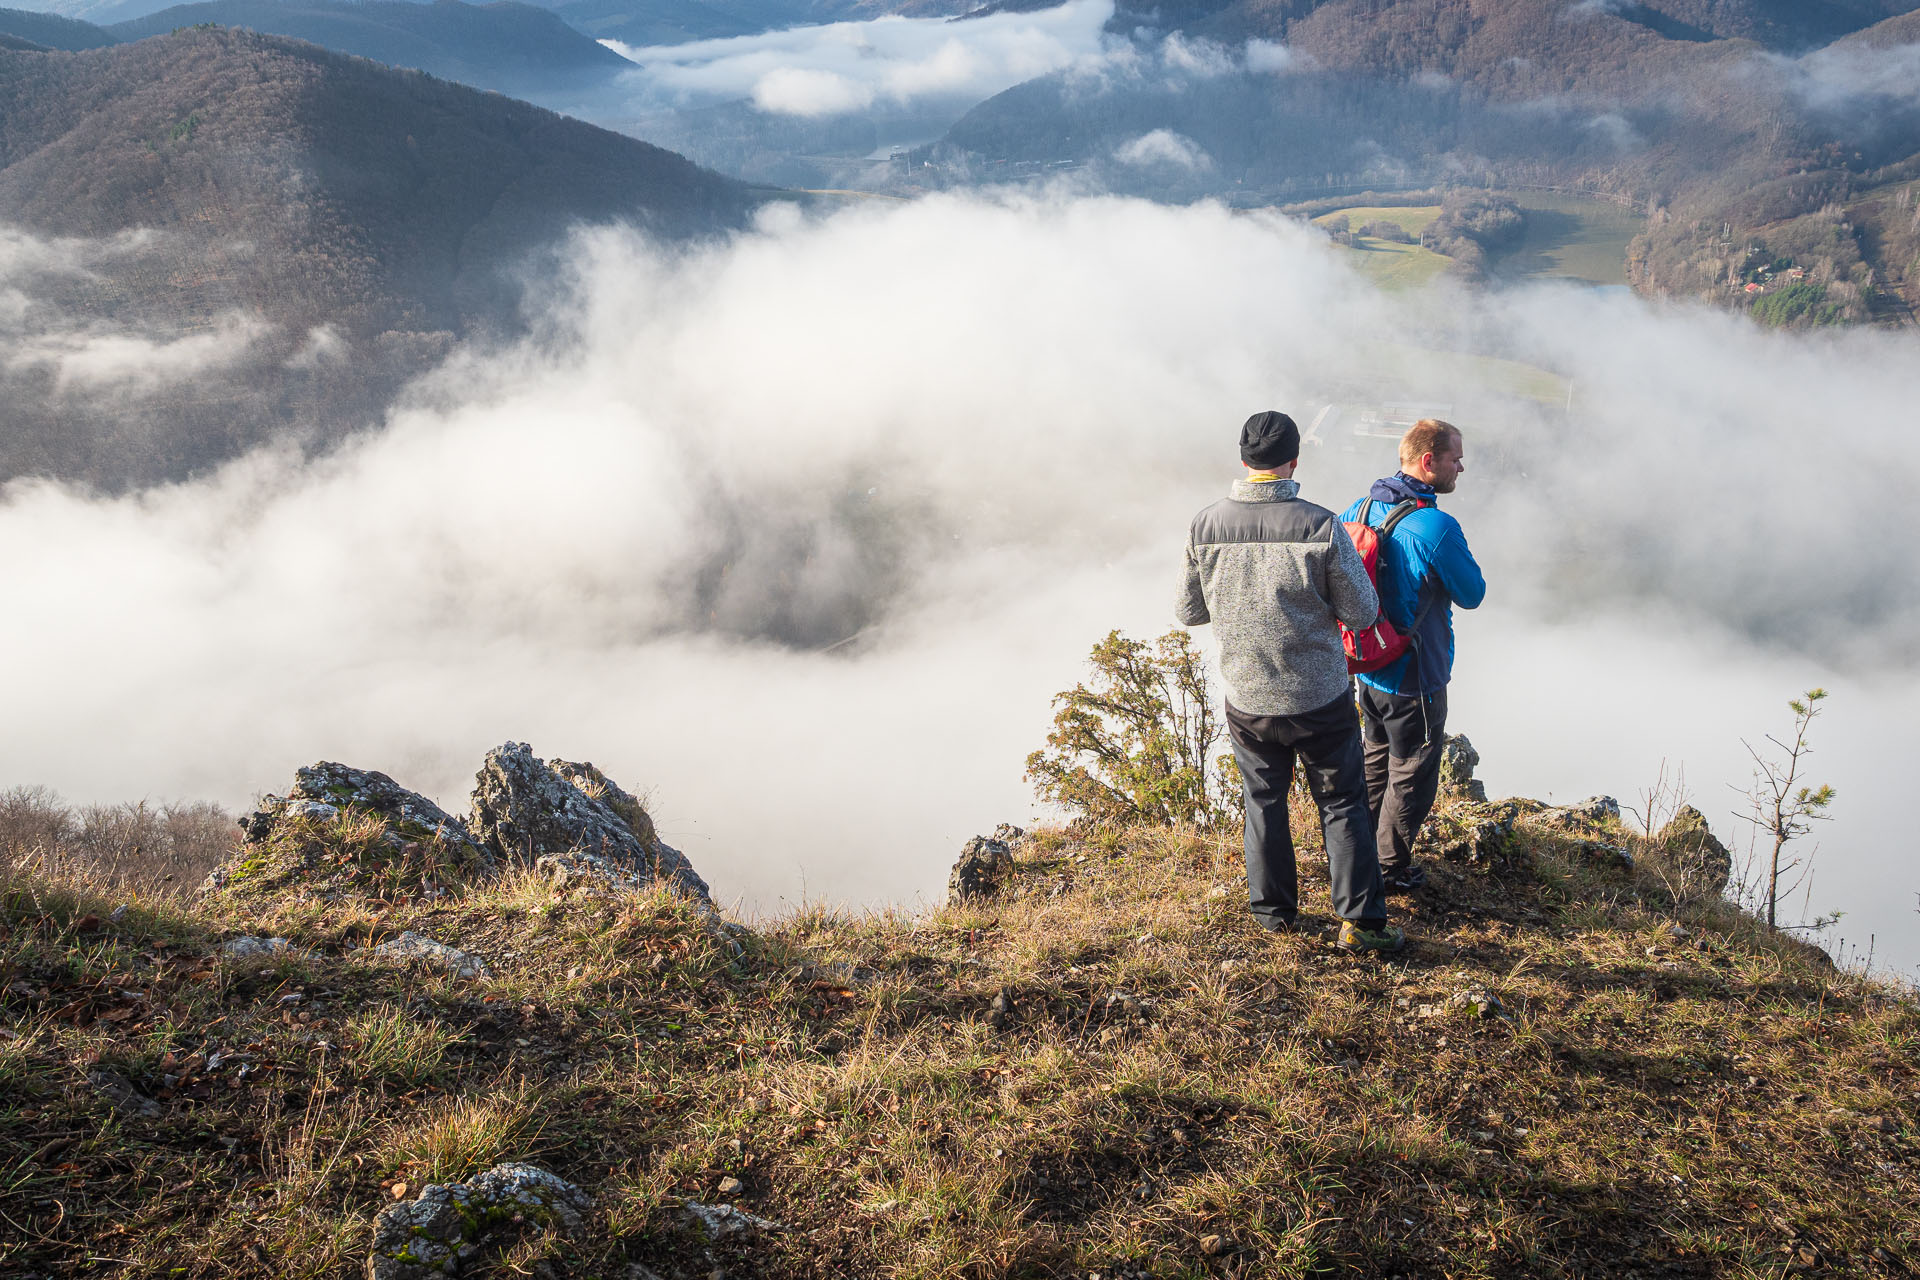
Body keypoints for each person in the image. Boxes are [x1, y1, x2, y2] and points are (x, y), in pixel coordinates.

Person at [1176, 410, 1405, 954]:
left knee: (1264, 802)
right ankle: (1361, 924)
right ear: (1294, 459)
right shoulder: (1320, 526)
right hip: (1318, 696)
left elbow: (1188, 610)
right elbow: (1363, 612)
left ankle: (1273, 915)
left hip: (1247, 697)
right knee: (1342, 803)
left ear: (1243, 460)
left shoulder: (1205, 525)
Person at [1340, 419, 1486, 894]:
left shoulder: (1357, 508)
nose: (1461, 467)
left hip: (1368, 664)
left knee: (1375, 758)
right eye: (1454, 458)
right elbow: (1473, 593)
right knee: (1413, 773)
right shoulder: (1436, 526)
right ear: (1429, 461)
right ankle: (1390, 868)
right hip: (1416, 675)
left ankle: (1357, 849)